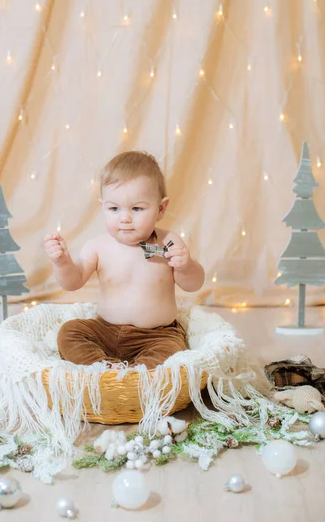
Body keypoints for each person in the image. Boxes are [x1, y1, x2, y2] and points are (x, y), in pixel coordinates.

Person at [43, 151, 205, 369]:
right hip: (105, 330)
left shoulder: (168, 242)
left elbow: (193, 284)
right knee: (69, 332)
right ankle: (104, 366)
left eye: (137, 208)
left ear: (160, 209)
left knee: (172, 351)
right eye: (114, 208)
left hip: (156, 336)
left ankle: (136, 376)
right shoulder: (98, 246)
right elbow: (72, 282)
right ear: (102, 206)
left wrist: (186, 266)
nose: (125, 218)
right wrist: (62, 262)